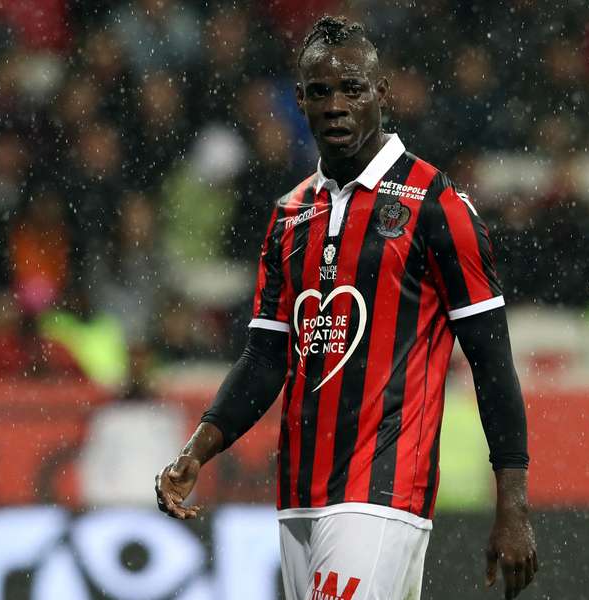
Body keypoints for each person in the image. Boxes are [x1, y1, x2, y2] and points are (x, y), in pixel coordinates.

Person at [156, 16, 537, 600]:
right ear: (301, 102)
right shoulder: (290, 215)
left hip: (384, 491)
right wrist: (197, 451)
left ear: (381, 95)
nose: (336, 104)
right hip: (299, 497)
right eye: (321, 92)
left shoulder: (435, 203)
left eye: (353, 89)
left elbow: (492, 361)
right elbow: (264, 360)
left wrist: (512, 506)